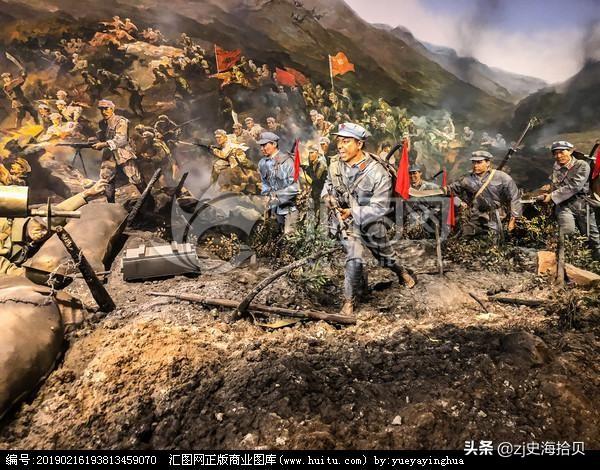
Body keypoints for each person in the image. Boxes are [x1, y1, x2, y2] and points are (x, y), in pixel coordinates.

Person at [322, 123, 416, 317]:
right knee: (354, 256)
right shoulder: (335, 164)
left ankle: (401, 272)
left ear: (359, 144)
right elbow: (328, 185)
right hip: (346, 223)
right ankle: (349, 301)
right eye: (339, 141)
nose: (340, 146)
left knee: (386, 257)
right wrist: (327, 197)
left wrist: (352, 212)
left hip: (370, 222)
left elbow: (380, 208)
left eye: (346, 141)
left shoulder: (378, 172)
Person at [0, 180, 107, 276]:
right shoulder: (4, 229)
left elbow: (59, 211)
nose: (42, 233)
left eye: (47, 230)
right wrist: (27, 275)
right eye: (40, 227)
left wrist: (86, 194)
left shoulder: (34, 233)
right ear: (32, 220)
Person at [538, 141, 600, 260]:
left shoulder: (581, 165)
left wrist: (552, 196)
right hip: (564, 206)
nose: (558, 156)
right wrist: (548, 192)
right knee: (566, 233)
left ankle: (595, 263)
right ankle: (567, 262)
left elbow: (575, 186)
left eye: (561, 152)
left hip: (582, 204)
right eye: (555, 153)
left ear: (570, 151)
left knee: (593, 238)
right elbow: (557, 185)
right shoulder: (556, 167)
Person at [445, 150, 521, 238]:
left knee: (494, 241)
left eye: (479, 162)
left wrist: (513, 219)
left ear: (488, 163)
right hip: (473, 217)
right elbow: (450, 190)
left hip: (495, 218)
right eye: (474, 162)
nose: (475, 165)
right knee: (464, 238)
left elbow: (514, 197)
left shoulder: (502, 177)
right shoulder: (467, 179)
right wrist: (459, 202)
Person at [92, 99, 144, 203]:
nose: (104, 112)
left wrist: (104, 144)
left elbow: (121, 139)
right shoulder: (102, 123)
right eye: (101, 109)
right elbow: (104, 137)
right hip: (109, 154)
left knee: (135, 177)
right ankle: (111, 205)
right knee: (106, 179)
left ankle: (148, 201)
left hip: (123, 153)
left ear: (112, 109)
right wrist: (96, 140)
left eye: (106, 109)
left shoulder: (121, 121)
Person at [258, 132, 299, 233]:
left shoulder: (287, 161)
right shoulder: (263, 163)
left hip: (288, 209)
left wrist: (277, 195)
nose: (262, 148)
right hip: (273, 210)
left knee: (289, 236)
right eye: (261, 146)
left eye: (264, 145)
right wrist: (266, 195)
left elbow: (295, 187)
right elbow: (265, 183)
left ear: (274, 144)